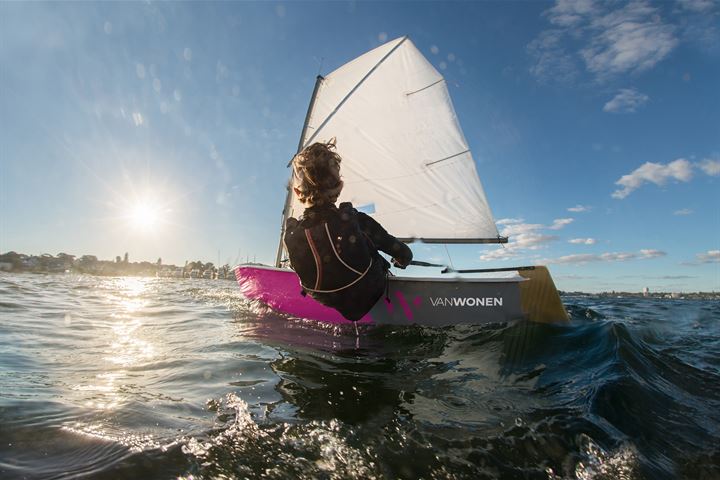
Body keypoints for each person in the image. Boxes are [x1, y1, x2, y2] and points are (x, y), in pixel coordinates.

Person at [283, 140, 413, 321]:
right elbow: (403, 252)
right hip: (372, 290)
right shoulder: (353, 219)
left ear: (297, 193)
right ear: (339, 186)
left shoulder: (292, 234)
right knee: (367, 241)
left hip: (327, 299)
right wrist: (402, 260)